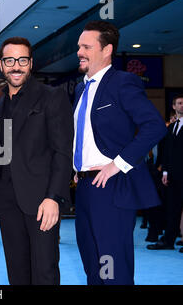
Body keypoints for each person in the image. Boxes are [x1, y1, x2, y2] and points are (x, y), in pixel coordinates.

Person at [72, 21, 167, 285]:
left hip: (111, 188)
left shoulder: (123, 82)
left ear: (107, 50)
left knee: (111, 267)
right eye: (79, 45)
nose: (79, 51)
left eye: (86, 46)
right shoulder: (81, 89)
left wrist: (118, 164)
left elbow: (155, 126)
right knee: (93, 264)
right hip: (85, 186)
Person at [0, 37, 73, 285]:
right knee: (17, 274)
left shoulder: (51, 97)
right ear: (1, 65)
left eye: (22, 60)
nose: (16, 66)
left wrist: (54, 197)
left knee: (44, 273)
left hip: (41, 202)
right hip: (8, 204)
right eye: (10, 60)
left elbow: (63, 152)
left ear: (30, 63)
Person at [148, 94, 183, 252]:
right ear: (174, 107)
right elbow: (167, 152)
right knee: (172, 208)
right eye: (180, 103)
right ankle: (169, 240)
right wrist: (165, 172)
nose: (182, 106)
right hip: (173, 176)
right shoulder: (171, 128)